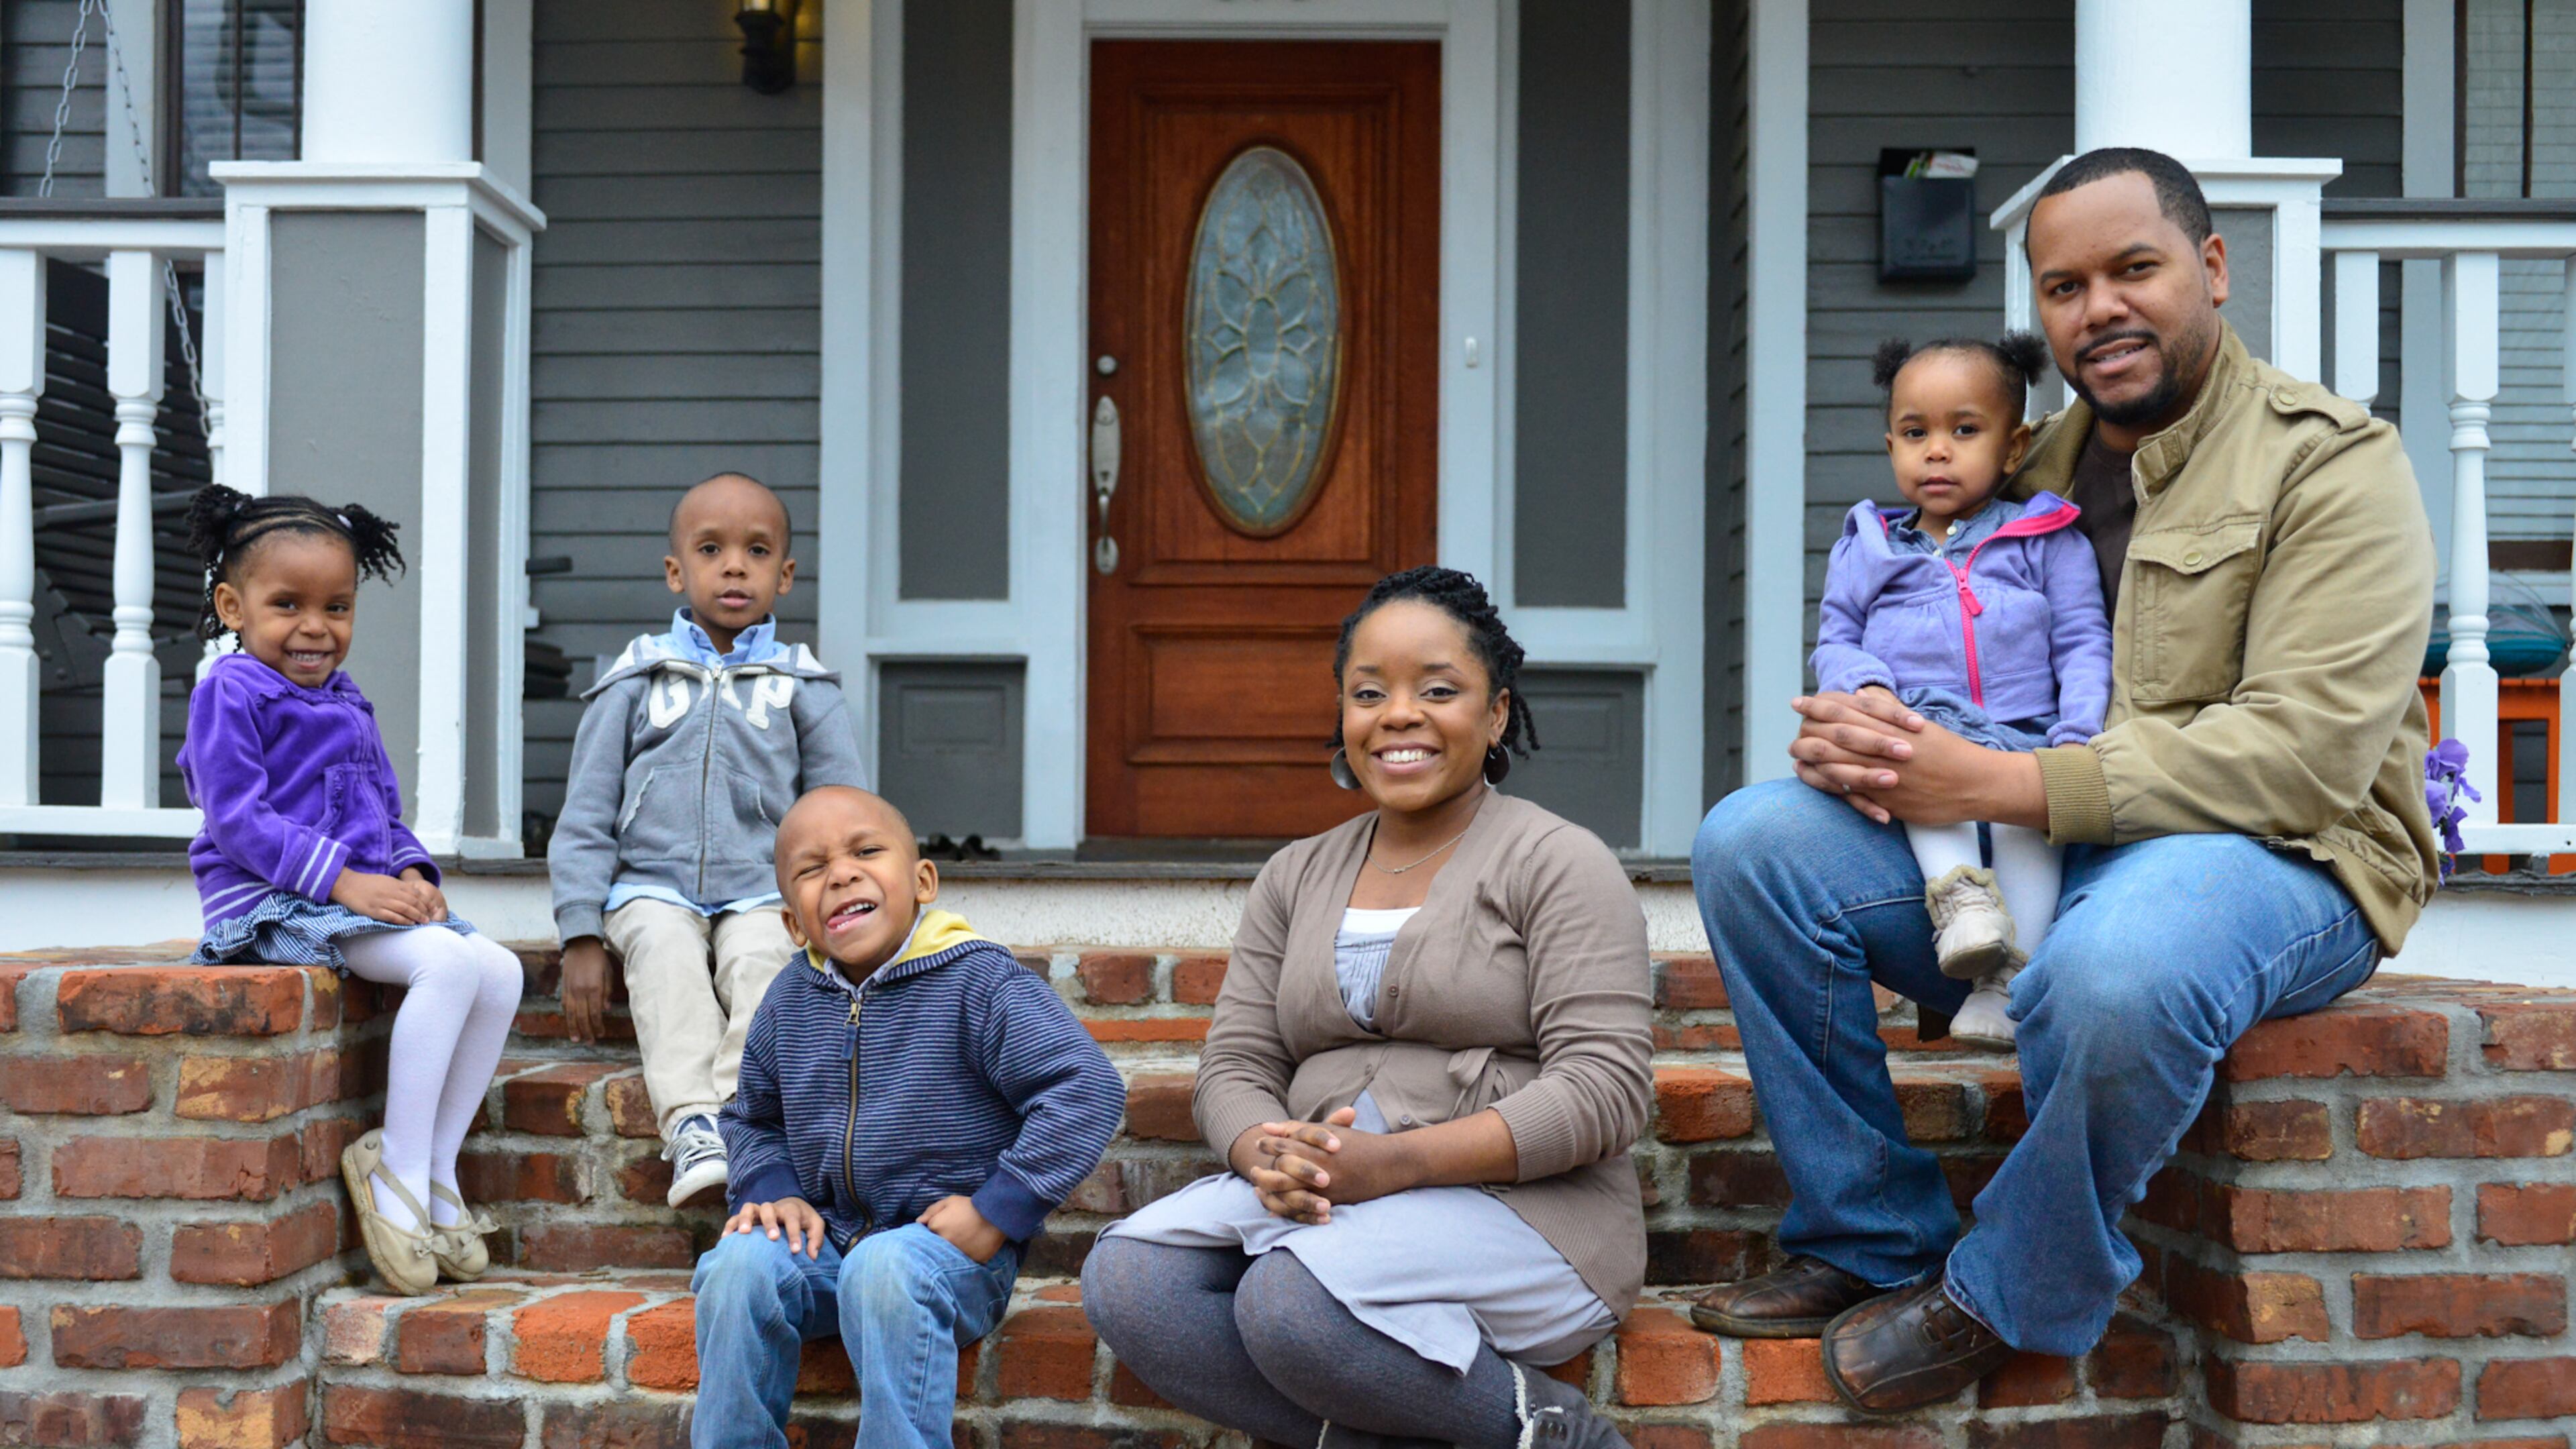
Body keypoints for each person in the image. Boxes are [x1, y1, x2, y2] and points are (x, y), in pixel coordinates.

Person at [1687, 147, 2438, 1413]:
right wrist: (1861, 744)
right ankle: (1868, 1235)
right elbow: (1927, 643)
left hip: (2280, 855)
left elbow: (2305, 754)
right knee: (1754, 842)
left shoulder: (2331, 465)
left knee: (2116, 968)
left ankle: (2008, 1289)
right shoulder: (2018, 467)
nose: (2100, 309)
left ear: (2210, 269)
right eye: (2064, 286)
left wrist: (2003, 782)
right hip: (2047, 847)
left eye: (2133, 270)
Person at [1084, 567, 1655, 1449]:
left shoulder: (1558, 862)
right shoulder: (1297, 873)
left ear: (1497, 712)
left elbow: (1606, 1089)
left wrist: (1394, 1164)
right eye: (1368, 692)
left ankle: (1550, 1431)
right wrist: (1263, 1149)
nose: (1398, 715)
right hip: (1330, 1202)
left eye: (1438, 689)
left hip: (1526, 1213)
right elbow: (1236, 1064)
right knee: (1131, 1282)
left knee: (1289, 1302)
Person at [689, 786, 1124, 1449]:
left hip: (945, 1258)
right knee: (735, 1268)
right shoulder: (789, 1000)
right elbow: (752, 1117)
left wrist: (995, 1212)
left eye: (866, 851)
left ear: (923, 881)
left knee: (884, 1269)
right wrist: (772, 1190)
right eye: (812, 869)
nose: (841, 873)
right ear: (793, 923)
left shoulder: (979, 984)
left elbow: (1084, 1088)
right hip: (827, 1244)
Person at [177, 484, 524, 1297]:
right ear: (233, 605)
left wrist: (410, 873)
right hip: (272, 902)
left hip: (353, 894)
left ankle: (436, 1169)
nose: (315, 627)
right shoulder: (229, 693)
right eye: (286, 604)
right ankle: (394, 1171)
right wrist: (345, 881)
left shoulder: (346, 698)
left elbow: (383, 811)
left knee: (501, 970)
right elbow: (237, 820)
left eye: (337, 606)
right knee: (445, 966)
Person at [547, 472, 867, 1208]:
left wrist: (838, 911)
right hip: (648, 887)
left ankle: (739, 1122)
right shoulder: (634, 680)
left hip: (762, 887)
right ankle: (692, 1125)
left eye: (756, 552)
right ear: (676, 570)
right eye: (711, 549)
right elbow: (587, 815)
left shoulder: (802, 687)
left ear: (783, 576)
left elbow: (843, 818)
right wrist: (580, 933)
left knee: (763, 959)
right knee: (664, 954)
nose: (733, 567)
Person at [1812, 332, 2110, 1047]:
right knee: (1918, 784)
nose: (1936, 450)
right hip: (1920, 728)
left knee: (2026, 832)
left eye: (1964, 431)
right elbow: (1837, 640)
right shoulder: (1868, 548)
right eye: (1916, 433)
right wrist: (1870, 689)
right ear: (1891, 447)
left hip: (2026, 736)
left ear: (2013, 448)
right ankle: (1964, 907)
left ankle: (2006, 985)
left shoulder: (2046, 539)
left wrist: (2077, 733)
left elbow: (2082, 642)